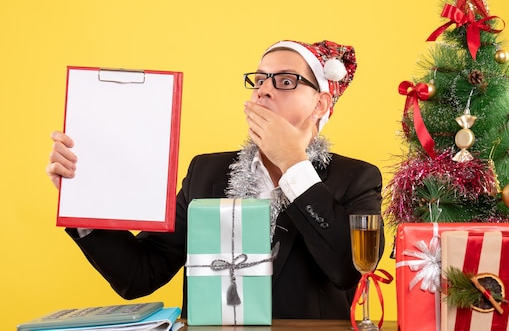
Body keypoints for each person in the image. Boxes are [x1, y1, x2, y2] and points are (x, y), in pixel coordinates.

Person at [46, 40, 384, 319]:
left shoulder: (356, 178)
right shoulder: (205, 172)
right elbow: (140, 274)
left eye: (285, 81)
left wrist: (292, 163)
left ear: (320, 103)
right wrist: (81, 199)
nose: (264, 90)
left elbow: (348, 267)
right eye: (260, 79)